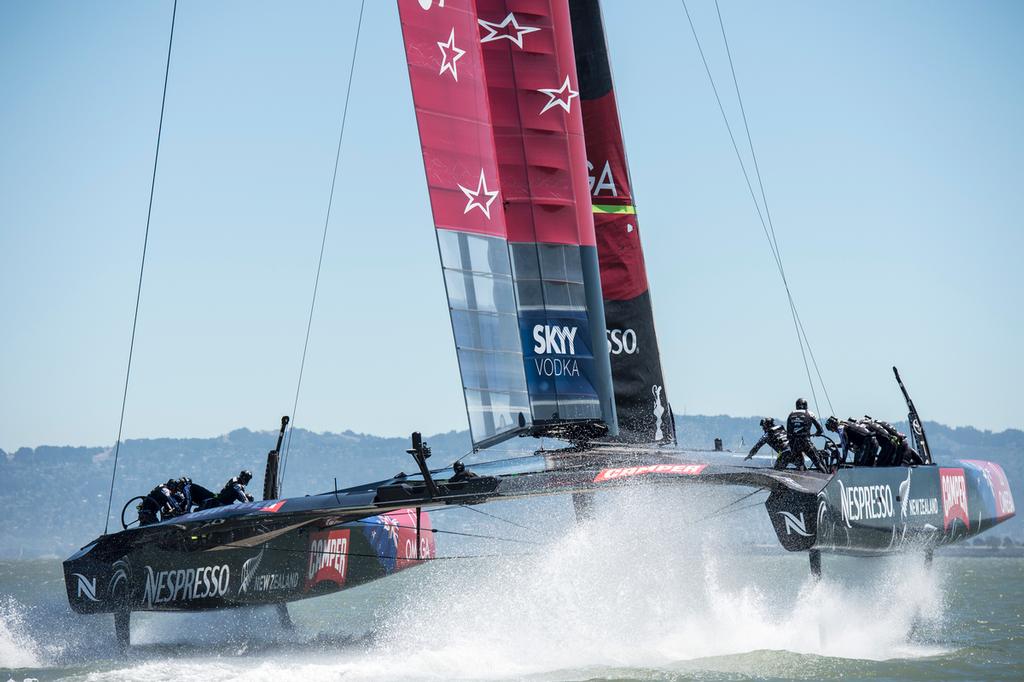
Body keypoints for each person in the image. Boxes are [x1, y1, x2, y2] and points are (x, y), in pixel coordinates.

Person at [786, 398, 826, 472]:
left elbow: (788, 433)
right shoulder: (810, 413)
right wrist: (817, 433)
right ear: (805, 405)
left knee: (800, 464)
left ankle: (801, 478)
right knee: (818, 463)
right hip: (806, 442)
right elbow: (820, 429)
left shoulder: (791, 414)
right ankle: (827, 478)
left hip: (795, 444)